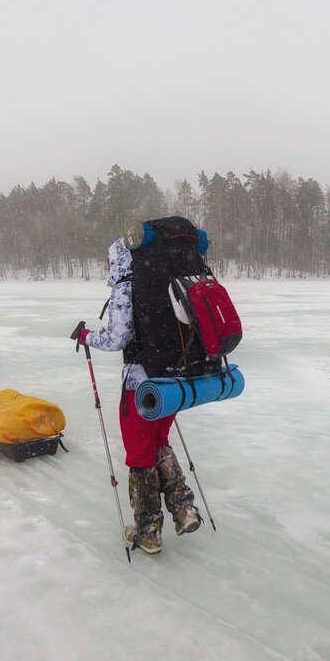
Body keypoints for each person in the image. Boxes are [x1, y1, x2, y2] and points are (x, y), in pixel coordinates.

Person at [74, 237, 201, 555]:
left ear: (118, 261)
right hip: (172, 381)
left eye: (109, 261)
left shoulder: (127, 286)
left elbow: (118, 337)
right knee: (159, 443)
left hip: (140, 386)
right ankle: (183, 508)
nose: (108, 267)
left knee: (139, 455)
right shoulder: (166, 281)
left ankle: (148, 531)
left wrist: (88, 336)